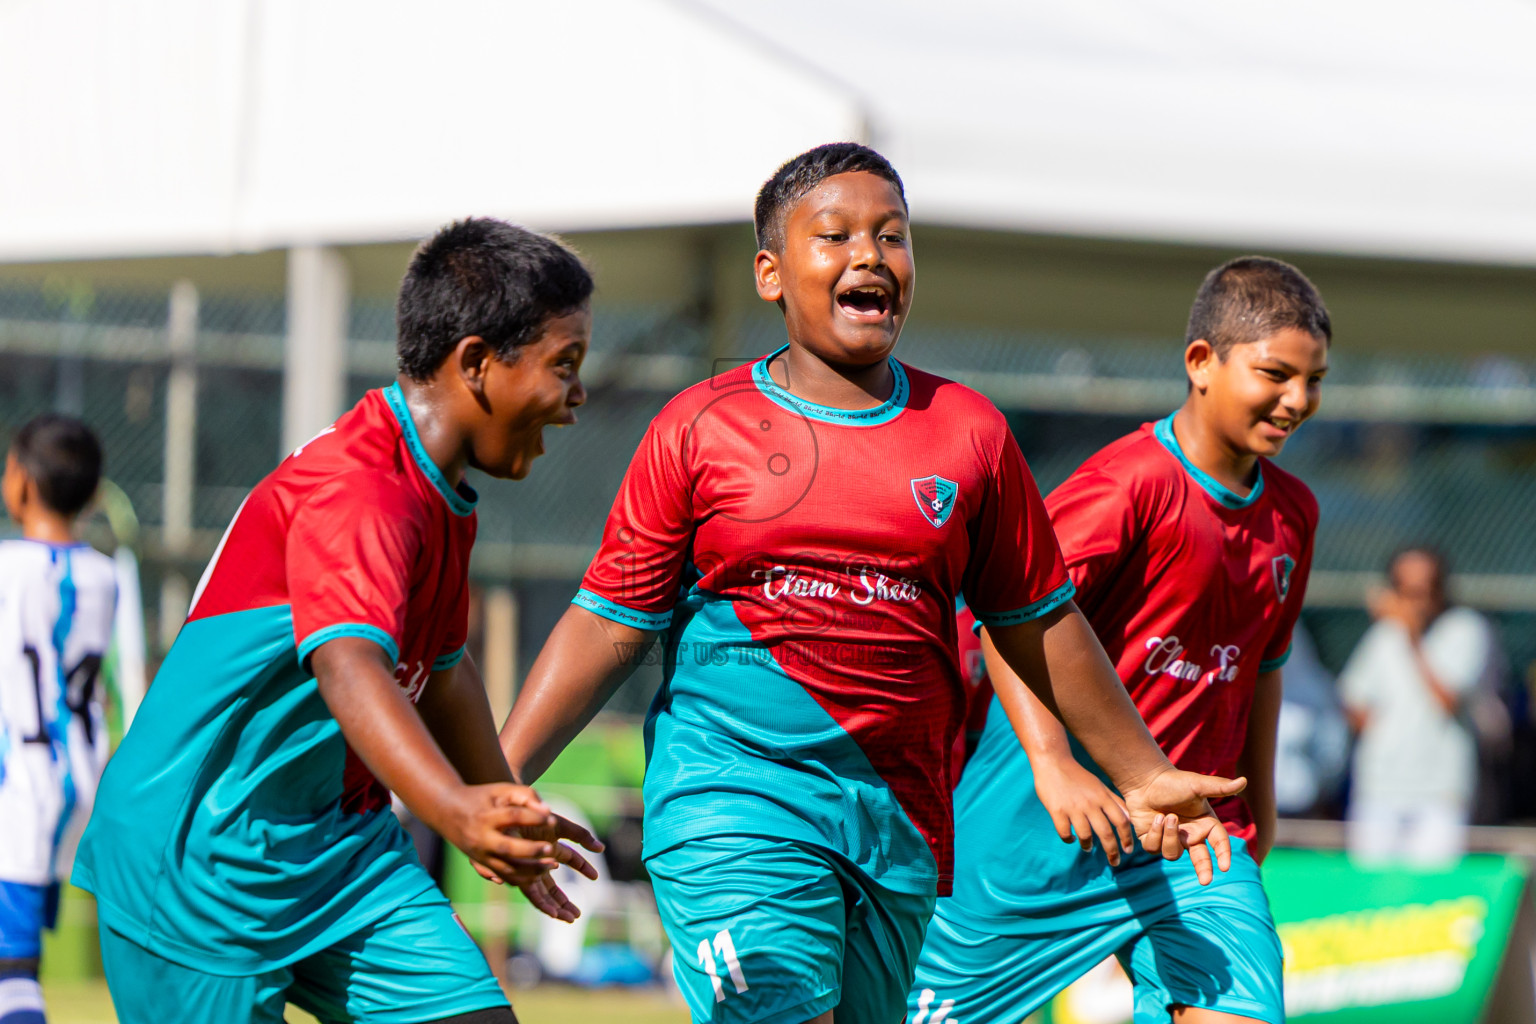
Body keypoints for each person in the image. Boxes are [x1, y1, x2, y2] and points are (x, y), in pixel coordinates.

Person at [497, 143, 1244, 1024]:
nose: (868, 255)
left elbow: (1040, 622)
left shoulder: (969, 433)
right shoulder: (699, 426)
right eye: (836, 235)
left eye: (892, 236)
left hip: (899, 827)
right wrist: (492, 784)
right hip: (735, 799)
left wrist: (1141, 770)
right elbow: (608, 623)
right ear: (771, 273)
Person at [72, 219, 604, 1024]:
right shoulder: (362, 490)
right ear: (476, 364)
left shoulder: (440, 491)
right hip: (201, 866)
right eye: (563, 366)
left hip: (338, 852)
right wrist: (453, 812)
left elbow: (444, 672)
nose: (576, 397)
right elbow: (349, 664)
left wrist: (498, 798)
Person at [910, 256, 1331, 1024]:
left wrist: (1258, 810)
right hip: (1043, 833)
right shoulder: (1129, 484)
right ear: (1201, 362)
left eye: (1315, 381)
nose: (1298, 399)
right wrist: (1053, 764)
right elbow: (1010, 617)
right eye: (1276, 374)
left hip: (1197, 841)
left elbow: (1264, 667)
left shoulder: (1293, 513)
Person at [0, 415, 117, 1024]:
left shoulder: (6, 569)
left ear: (19, 481)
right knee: (17, 965)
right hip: (77, 786)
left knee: (10, 974)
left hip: (15, 791)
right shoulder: (106, 577)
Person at [1341, 546, 1498, 867]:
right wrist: (1386, 734)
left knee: (1432, 901)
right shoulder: (1384, 634)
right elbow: (1352, 699)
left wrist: (1412, 638)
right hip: (1379, 788)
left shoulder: (1466, 629)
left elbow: (1447, 699)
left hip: (1439, 791)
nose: (1416, 600)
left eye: (1424, 590)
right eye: (1407, 591)